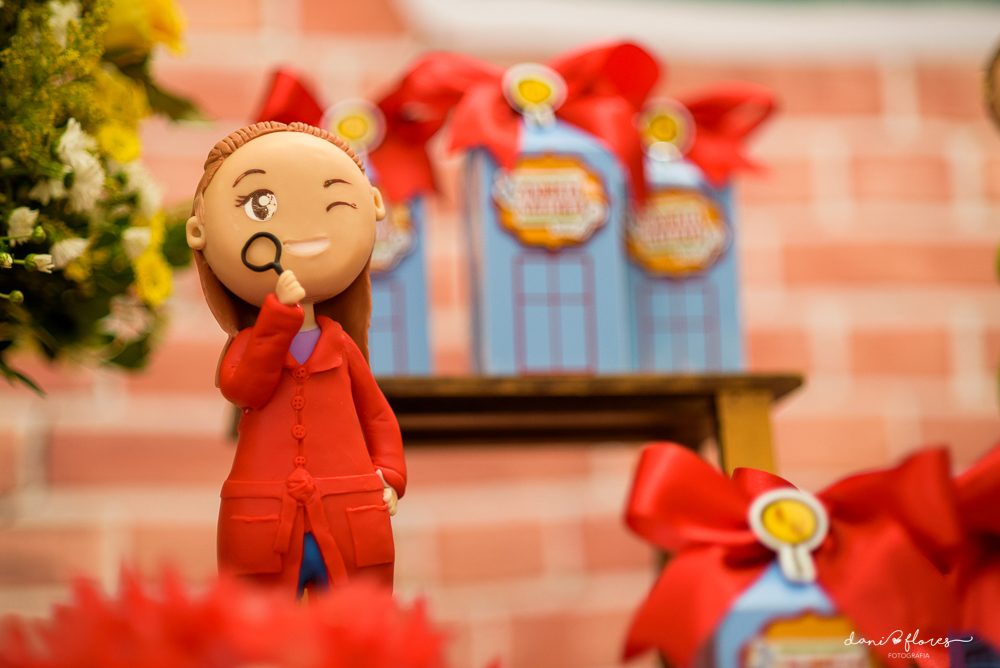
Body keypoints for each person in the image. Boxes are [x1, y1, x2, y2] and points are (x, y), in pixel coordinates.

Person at [186, 121, 406, 597]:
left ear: (373, 206)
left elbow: (376, 415)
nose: (304, 230)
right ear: (198, 231)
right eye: (260, 204)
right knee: (261, 629)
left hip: (349, 512)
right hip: (264, 521)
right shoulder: (249, 344)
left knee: (357, 629)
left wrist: (389, 474)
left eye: (336, 202)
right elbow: (246, 389)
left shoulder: (342, 348)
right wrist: (278, 318)